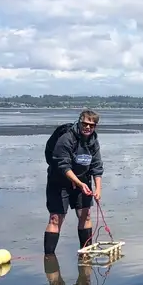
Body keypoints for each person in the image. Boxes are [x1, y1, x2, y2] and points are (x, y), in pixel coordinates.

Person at [44, 110, 103, 257]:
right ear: (79, 122)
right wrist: (78, 183)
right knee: (55, 218)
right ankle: (49, 258)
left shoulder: (93, 141)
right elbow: (63, 165)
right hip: (59, 181)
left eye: (91, 125)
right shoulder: (66, 138)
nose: (88, 128)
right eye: (85, 124)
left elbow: (97, 166)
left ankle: (86, 254)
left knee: (86, 215)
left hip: (82, 180)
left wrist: (98, 189)